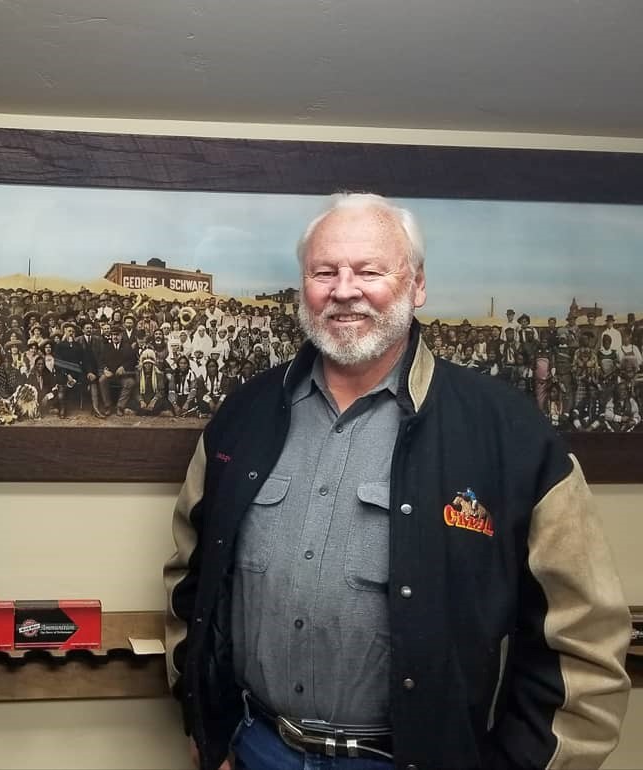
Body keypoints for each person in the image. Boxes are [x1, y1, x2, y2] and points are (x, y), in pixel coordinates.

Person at [164, 193, 629, 770]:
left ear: (417, 285)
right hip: (258, 748)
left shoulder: (509, 434)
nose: (344, 290)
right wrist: (206, 723)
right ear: (304, 287)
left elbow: (585, 639)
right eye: (324, 272)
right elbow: (192, 579)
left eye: (369, 271)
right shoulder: (243, 416)